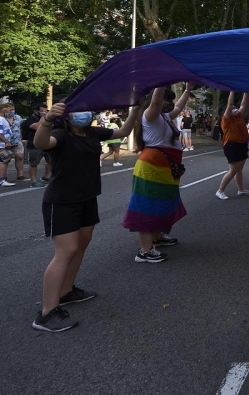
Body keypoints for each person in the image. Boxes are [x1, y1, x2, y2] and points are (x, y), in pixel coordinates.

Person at [31, 101, 141, 332]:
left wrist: (136, 110)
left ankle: (66, 291)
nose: (84, 112)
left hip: (87, 197)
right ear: (67, 116)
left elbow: (122, 132)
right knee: (66, 251)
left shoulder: (92, 132)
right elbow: (41, 142)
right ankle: (47, 312)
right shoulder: (60, 135)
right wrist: (48, 120)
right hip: (62, 200)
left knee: (81, 245)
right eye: (77, 109)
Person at [122, 84, 193, 263]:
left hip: (164, 168)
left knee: (162, 202)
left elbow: (178, 107)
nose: (169, 104)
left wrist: (188, 89)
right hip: (151, 168)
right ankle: (145, 251)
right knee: (147, 205)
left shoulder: (165, 117)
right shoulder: (150, 116)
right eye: (165, 100)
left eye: (170, 101)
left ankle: (157, 237)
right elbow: (155, 103)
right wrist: (161, 81)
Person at [216, 91, 249, 200]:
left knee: (239, 169)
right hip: (232, 145)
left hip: (242, 144)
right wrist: (232, 91)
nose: (235, 108)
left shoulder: (238, 116)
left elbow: (244, 105)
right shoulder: (226, 119)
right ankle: (220, 190)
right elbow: (229, 104)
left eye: (235, 107)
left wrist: (246, 92)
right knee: (233, 170)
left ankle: (241, 189)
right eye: (233, 108)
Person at [21, 103, 52, 186]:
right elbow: (37, 127)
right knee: (34, 163)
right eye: (42, 111)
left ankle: (46, 177)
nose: (45, 112)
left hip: (48, 143)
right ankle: (33, 181)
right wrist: (43, 117)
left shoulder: (50, 119)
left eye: (46, 110)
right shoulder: (31, 119)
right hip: (35, 145)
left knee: (51, 161)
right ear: (37, 111)